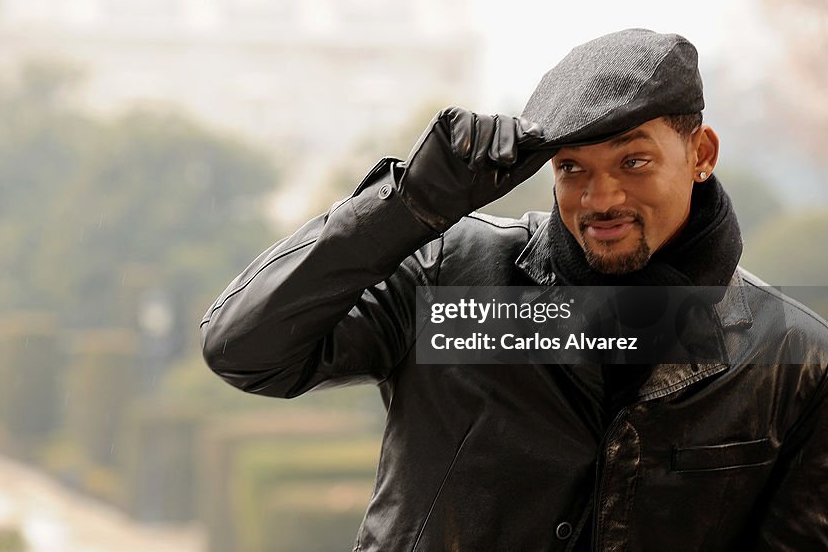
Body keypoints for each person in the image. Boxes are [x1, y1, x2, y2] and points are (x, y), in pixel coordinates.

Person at [199, 29, 828, 550]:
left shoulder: (793, 356)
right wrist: (406, 205)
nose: (600, 198)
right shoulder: (452, 274)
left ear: (701, 154)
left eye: (633, 162)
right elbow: (243, 349)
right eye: (571, 168)